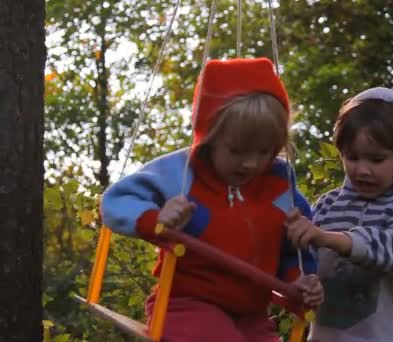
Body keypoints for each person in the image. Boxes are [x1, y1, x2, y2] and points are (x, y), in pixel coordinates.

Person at [101, 57, 323, 341]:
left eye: (264, 151)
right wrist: (157, 218)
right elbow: (117, 200)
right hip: (187, 306)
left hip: (252, 316)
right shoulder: (181, 173)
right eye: (237, 151)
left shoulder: (279, 184)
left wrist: (301, 282)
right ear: (210, 136)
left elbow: (294, 251)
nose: (251, 164)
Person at [286, 87, 393, 342]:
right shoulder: (327, 205)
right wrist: (305, 284)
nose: (362, 170)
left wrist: (333, 239)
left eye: (377, 159)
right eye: (352, 157)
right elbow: (303, 265)